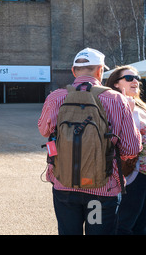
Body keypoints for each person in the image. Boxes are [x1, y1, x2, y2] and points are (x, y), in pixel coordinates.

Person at [38, 48, 142, 235]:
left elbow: (44, 130)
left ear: (73, 71)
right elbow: (132, 148)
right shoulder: (116, 100)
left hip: (64, 184)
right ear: (100, 71)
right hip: (102, 189)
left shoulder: (55, 98)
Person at [105, 65, 146, 234]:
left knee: (141, 224)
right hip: (131, 175)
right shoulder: (113, 105)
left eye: (136, 77)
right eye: (129, 78)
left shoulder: (140, 106)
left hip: (142, 174)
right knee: (124, 224)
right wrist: (127, 111)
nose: (135, 80)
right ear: (115, 84)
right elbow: (117, 139)